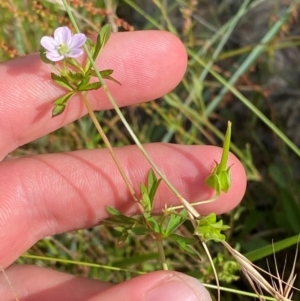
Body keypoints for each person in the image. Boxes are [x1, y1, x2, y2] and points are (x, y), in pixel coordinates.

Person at [0, 30, 247, 301]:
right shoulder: (66, 59)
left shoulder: (75, 49)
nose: (61, 47)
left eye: (64, 47)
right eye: (59, 48)